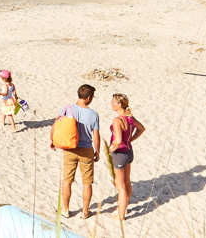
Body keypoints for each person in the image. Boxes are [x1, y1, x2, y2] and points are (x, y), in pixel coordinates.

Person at [55, 85, 101, 219]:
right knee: (87, 183)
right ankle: (85, 212)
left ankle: (66, 209)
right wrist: (97, 151)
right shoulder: (93, 114)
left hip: (69, 149)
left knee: (67, 180)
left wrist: (52, 141)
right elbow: (96, 136)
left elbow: (56, 126)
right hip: (86, 150)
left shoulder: (66, 109)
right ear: (88, 98)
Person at [108, 93, 146, 223]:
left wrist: (111, 148)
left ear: (119, 104)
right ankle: (123, 209)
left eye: (113, 102)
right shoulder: (130, 117)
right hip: (129, 151)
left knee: (120, 186)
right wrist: (130, 140)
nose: (111, 104)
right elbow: (142, 129)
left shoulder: (117, 120)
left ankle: (121, 214)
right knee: (127, 182)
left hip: (120, 154)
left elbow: (118, 140)